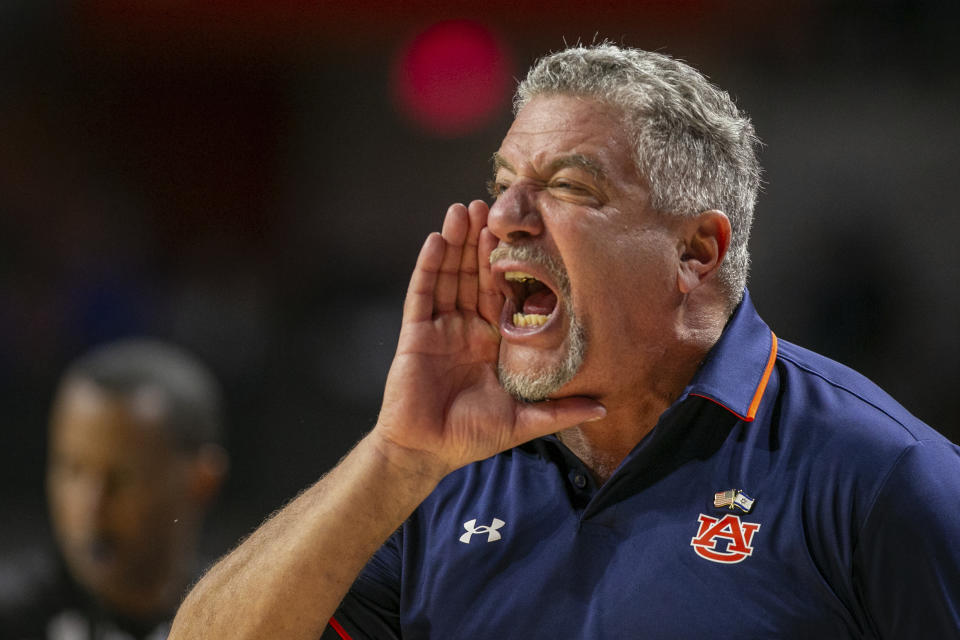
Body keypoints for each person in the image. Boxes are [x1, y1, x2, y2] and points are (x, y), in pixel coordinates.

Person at [170, 44, 960, 639]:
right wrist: (397, 457)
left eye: (568, 187)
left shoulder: (884, 478)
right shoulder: (438, 473)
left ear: (696, 253)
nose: (506, 216)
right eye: (502, 181)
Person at [0, 339, 228, 640]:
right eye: (72, 469)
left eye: (121, 478)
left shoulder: (242, 619)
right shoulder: (13, 616)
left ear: (202, 480)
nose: (90, 504)